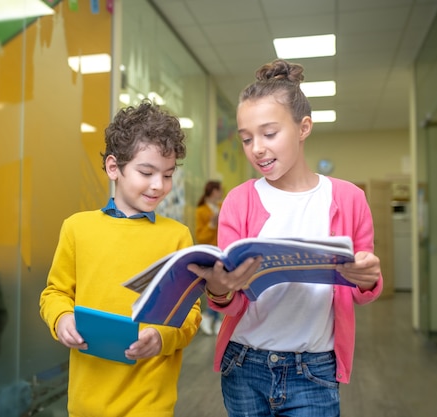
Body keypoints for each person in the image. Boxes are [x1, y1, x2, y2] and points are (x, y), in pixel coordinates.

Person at [187, 59, 384, 417]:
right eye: (246, 139)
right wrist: (218, 287)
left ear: (303, 127)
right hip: (243, 363)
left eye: (269, 134)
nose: (256, 148)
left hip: (315, 369)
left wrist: (368, 278)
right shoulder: (238, 201)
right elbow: (228, 301)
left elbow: (360, 287)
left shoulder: (348, 198)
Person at [40, 100, 201, 417]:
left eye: (168, 175)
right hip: (87, 402)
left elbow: (190, 313)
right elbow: (54, 293)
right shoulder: (76, 228)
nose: (159, 185)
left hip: (150, 402)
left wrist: (161, 337)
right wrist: (61, 319)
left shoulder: (178, 236)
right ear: (114, 167)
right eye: (146, 172)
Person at [195, 180, 224, 335]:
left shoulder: (221, 207)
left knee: (222, 286)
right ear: (214, 191)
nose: (222, 192)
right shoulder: (201, 211)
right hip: (208, 254)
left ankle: (213, 317)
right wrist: (212, 224)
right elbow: (201, 237)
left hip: (222, 252)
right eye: (220, 190)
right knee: (214, 287)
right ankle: (211, 317)